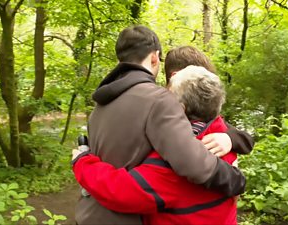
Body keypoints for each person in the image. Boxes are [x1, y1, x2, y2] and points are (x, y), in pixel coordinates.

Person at [74, 26, 249, 225]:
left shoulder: (99, 107)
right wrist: (236, 180)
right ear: (155, 57)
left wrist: (82, 161)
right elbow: (192, 161)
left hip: (95, 212)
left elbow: (127, 189)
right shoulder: (161, 104)